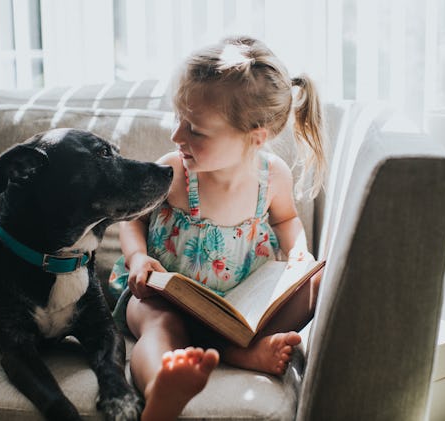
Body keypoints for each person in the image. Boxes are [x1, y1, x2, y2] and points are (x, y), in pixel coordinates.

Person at [108, 35, 327, 421]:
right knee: (161, 324)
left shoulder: (271, 177)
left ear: (254, 137)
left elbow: (287, 220)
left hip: (236, 305)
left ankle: (239, 348)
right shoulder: (174, 171)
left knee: (317, 283)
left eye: (195, 129)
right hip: (162, 296)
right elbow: (133, 219)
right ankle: (161, 386)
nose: (177, 137)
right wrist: (138, 258)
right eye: (179, 120)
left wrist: (297, 252)